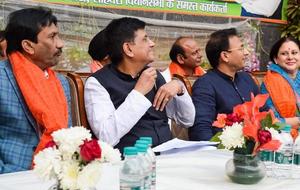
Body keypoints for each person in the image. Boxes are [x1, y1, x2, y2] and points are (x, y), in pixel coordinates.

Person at [84, 17, 195, 152]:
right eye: (145, 39)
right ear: (128, 49)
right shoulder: (97, 83)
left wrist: (179, 87)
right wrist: (138, 93)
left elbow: (187, 120)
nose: (152, 43)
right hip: (131, 163)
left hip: (168, 156)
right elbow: (106, 136)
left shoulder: (154, 75)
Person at [0, 7, 72, 173]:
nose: (61, 44)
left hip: (56, 173)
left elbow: (67, 135)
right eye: (52, 37)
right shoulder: (2, 78)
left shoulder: (61, 83)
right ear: (28, 46)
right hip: (11, 176)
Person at [189, 28, 259, 141]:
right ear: (225, 56)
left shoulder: (247, 79)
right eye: (241, 48)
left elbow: (264, 113)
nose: (246, 52)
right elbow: (201, 129)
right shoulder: (205, 85)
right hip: (223, 151)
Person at [261, 36, 300, 139]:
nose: (290, 57)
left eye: (294, 53)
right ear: (275, 59)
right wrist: (295, 123)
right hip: (281, 139)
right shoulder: (269, 83)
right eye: (284, 54)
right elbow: (269, 122)